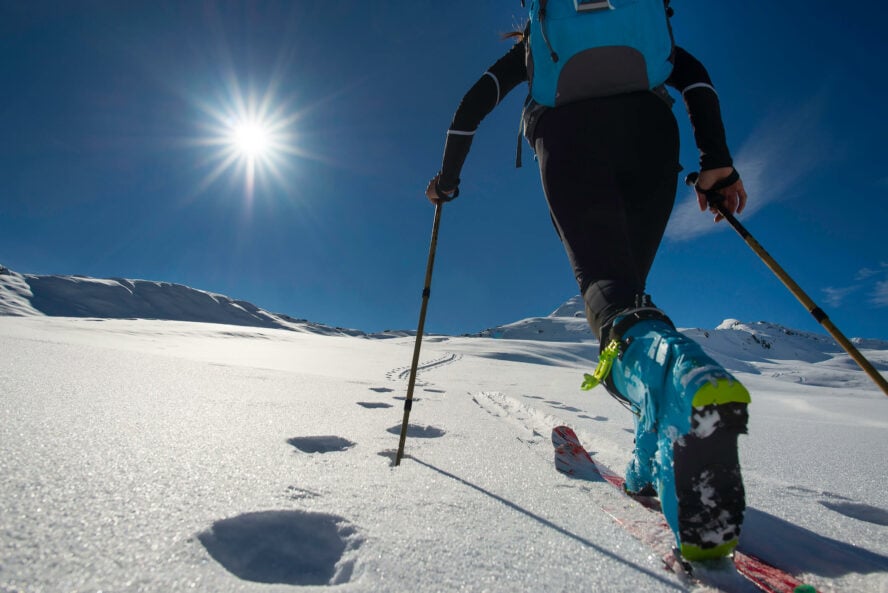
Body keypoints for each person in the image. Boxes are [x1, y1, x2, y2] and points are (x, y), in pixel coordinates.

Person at [425, 7, 751, 562]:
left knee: (610, 299)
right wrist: (716, 160)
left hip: (568, 134)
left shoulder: (538, 38)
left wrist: (447, 179)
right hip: (652, 133)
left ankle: (685, 384)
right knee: (630, 296)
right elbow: (694, 77)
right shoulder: (641, 24)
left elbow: (472, 104)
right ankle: (648, 464)